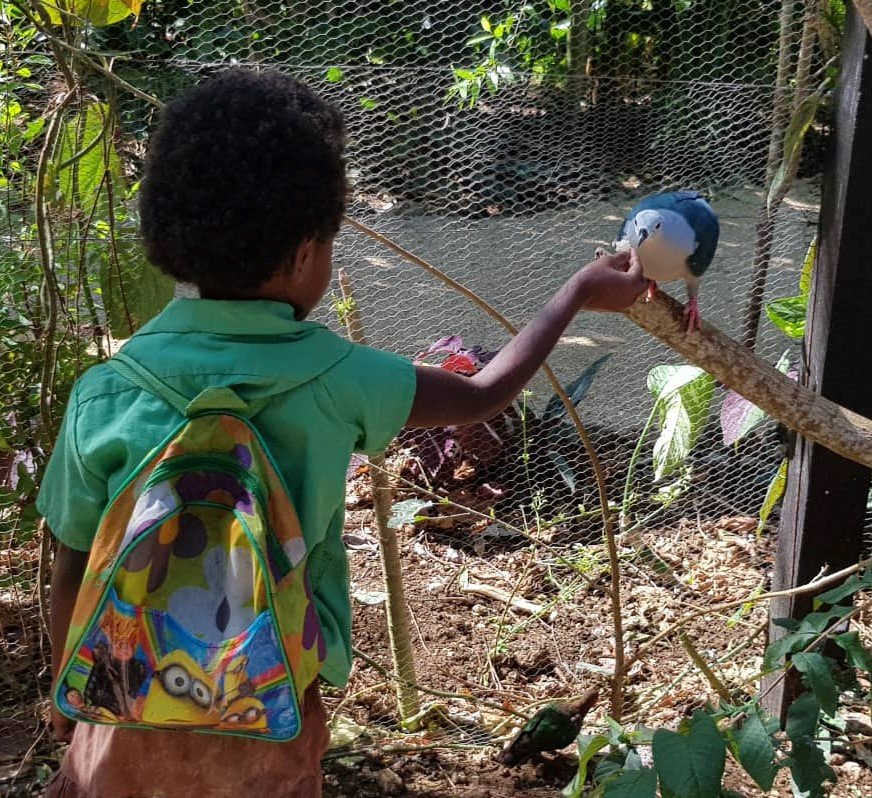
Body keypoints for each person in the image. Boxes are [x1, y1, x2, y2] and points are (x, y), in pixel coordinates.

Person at [39, 67, 646, 798]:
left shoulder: (108, 389)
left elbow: (71, 560)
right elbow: (487, 392)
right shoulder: (338, 378)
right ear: (303, 254)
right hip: (267, 711)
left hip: (122, 712)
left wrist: (64, 690)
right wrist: (578, 290)